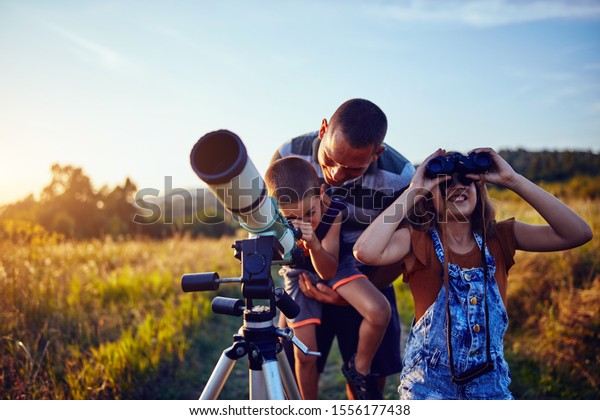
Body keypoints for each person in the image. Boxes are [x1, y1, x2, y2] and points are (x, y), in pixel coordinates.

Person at [353, 148, 593, 399]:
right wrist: (413, 191)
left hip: (490, 384)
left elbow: (578, 233)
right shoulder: (418, 241)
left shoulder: (500, 237)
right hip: (427, 384)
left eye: (467, 180)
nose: (458, 187)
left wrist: (514, 180)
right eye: (446, 184)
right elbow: (365, 251)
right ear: (429, 198)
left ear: (480, 188)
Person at [272, 98, 415, 399]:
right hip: (303, 276)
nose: (336, 174)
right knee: (297, 366)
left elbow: (407, 245)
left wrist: (350, 296)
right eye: (329, 159)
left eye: (353, 170)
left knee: (368, 384)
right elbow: (272, 221)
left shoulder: (401, 178)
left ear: (377, 153)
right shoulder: (289, 154)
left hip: (364, 275)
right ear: (323, 130)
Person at [265, 156, 391, 400]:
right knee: (304, 354)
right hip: (298, 274)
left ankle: (360, 368)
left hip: (333, 263)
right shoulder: (272, 221)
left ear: (321, 194)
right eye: (291, 218)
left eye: (310, 212)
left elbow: (328, 271)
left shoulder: (333, 211)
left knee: (379, 311)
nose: (302, 224)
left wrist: (313, 245)